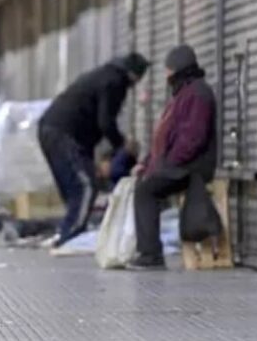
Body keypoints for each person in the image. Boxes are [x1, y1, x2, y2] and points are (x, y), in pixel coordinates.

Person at [38, 53, 150, 250]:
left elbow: (93, 124)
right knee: (86, 186)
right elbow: (105, 122)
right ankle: (70, 236)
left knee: (75, 188)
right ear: (135, 75)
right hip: (62, 134)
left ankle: (69, 231)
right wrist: (122, 145)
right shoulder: (115, 82)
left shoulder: (104, 75)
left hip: (53, 130)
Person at [127, 45, 217, 270]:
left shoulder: (197, 94)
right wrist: (146, 164)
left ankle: (151, 256)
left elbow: (192, 140)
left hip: (191, 166)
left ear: (178, 70)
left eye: (168, 70)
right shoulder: (182, 94)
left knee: (146, 191)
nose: (166, 76)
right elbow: (164, 138)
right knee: (143, 184)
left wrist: (166, 165)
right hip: (179, 164)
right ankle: (147, 251)